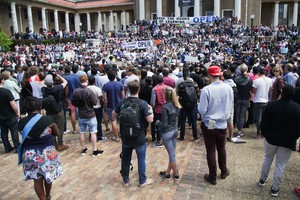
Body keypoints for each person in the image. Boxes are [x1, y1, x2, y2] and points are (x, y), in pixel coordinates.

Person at [258, 84, 300, 197]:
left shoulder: (272, 105)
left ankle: (262, 179)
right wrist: (295, 137)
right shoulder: (297, 108)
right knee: (280, 165)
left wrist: (264, 133)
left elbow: (264, 122)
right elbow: (298, 128)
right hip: (287, 140)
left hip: (271, 138)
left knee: (267, 159)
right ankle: (275, 188)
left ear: (282, 92)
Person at [18, 96, 62, 200]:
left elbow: (24, 135)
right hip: (47, 154)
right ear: (40, 106)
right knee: (48, 177)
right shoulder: (48, 120)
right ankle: (48, 195)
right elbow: (56, 133)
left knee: (37, 180)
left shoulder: (22, 123)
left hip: (30, 154)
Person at [112, 80, 154, 187]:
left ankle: (125, 180)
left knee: (126, 158)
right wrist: (151, 110)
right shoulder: (142, 103)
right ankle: (142, 180)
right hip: (139, 136)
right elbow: (150, 120)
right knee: (141, 159)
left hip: (125, 136)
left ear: (128, 90)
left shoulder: (122, 102)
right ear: (138, 89)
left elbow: (113, 115)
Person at [198, 65, 234, 185]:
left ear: (209, 75)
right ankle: (223, 171)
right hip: (222, 123)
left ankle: (212, 176)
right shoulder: (228, 88)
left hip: (209, 123)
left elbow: (202, 110)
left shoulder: (206, 90)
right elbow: (230, 104)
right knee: (221, 148)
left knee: (211, 150)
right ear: (220, 75)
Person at [72, 74, 103, 156]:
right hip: (90, 114)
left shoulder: (76, 91)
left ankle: (83, 149)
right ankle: (95, 150)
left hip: (81, 114)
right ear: (87, 81)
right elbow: (94, 102)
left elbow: (74, 102)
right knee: (93, 132)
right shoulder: (89, 91)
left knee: (82, 132)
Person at [42, 74, 70, 151]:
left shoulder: (44, 89)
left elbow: (42, 83)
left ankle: (54, 144)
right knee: (60, 128)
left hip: (49, 111)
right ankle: (60, 144)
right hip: (58, 110)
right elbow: (65, 82)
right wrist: (58, 75)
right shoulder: (57, 88)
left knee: (51, 128)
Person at [158, 87, 181, 180]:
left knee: (171, 155)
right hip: (175, 130)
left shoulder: (165, 107)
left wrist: (158, 124)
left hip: (167, 132)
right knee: (172, 153)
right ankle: (168, 172)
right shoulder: (177, 105)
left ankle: (175, 172)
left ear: (165, 96)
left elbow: (164, 124)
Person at [0, 73, 20, 153]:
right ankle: (17, 147)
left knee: (4, 132)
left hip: (1, 116)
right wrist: (17, 112)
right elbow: (13, 104)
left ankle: (7, 147)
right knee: (14, 131)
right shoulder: (6, 91)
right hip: (10, 114)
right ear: (2, 81)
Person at [102, 70, 124, 142]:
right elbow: (123, 95)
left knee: (113, 120)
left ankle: (116, 137)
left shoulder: (106, 85)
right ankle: (122, 134)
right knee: (121, 120)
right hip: (120, 104)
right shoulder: (120, 84)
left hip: (110, 105)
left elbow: (105, 98)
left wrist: (105, 105)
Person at [252, 67, 272, 138]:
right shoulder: (269, 80)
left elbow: (254, 91)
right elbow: (270, 90)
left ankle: (258, 133)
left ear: (259, 73)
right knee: (264, 117)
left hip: (258, 100)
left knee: (258, 118)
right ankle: (263, 133)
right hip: (265, 100)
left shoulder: (256, 81)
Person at [234, 63, 253, 137]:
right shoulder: (250, 80)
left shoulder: (236, 79)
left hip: (238, 98)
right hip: (246, 98)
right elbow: (251, 89)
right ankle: (240, 130)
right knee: (242, 115)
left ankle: (238, 130)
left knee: (238, 114)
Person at [150, 75, 167, 147]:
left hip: (158, 109)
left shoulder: (154, 89)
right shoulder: (167, 87)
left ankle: (159, 140)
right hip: (166, 108)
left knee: (158, 125)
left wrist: (152, 108)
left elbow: (153, 102)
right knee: (165, 124)